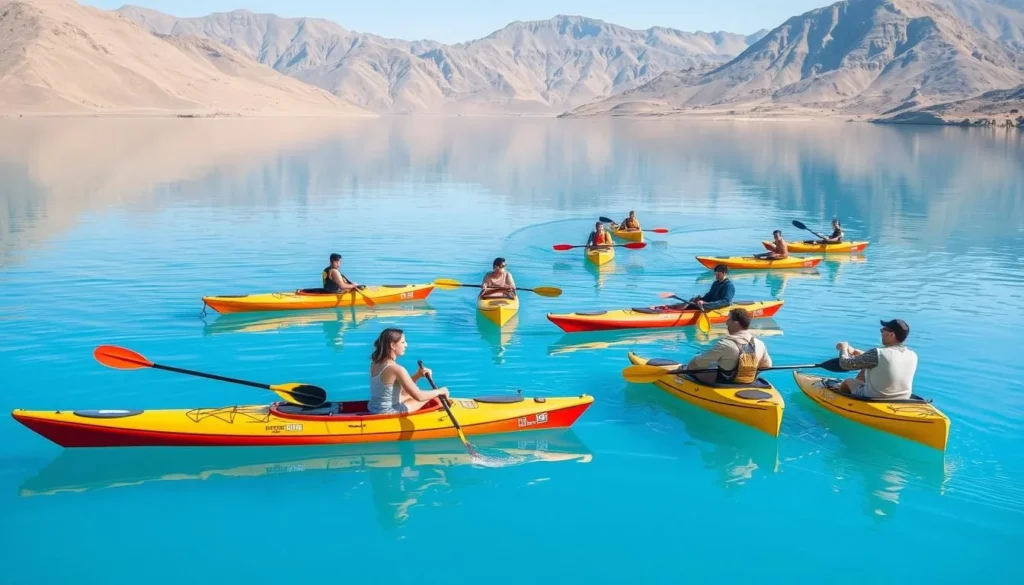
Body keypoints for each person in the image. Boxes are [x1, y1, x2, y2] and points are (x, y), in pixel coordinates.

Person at [368, 328, 450, 414]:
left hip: (374, 408)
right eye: (403, 342)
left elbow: (397, 388)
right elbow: (419, 397)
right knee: (432, 397)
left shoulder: (375, 363)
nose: (406, 345)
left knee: (407, 395)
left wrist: (417, 375)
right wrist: (441, 391)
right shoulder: (397, 369)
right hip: (388, 412)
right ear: (392, 345)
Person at [834, 319, 917, 400]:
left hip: (875, 397)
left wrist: (843, 348)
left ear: (891, 335)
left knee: (848, 382)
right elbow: (888, 362)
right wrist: (861, 354)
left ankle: (840, 400)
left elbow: (845, 364)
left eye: (883, 330)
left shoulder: (877, 353)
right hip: (903, 398)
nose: (881, 333)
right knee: (865, 368)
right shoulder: (913, 355)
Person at [685, 308, 772, 385]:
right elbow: (767, 365)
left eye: (728, 320)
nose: (726, 323)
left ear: (736, 323)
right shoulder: (760, 343)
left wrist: (688, 368)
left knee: (694, 369)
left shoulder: (725, 344)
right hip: (749, 381)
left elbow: (699, 362)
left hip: (727, 382)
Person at [669, 264, 734, 310]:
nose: (716, 276)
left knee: (698, 304)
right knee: (693, 301)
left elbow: (726, 301)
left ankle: (683, 311)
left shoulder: (728, 286)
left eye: (718, 274)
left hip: (719, 306)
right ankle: (672, 308)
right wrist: (701, 299)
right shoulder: (716, 283)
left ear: (724, 273)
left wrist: (705, 303)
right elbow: (709, 295)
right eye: (715, 274)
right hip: (711, 304)